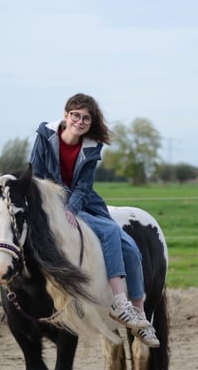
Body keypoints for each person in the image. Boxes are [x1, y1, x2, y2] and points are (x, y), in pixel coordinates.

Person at [29, 93, 160, 348]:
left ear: (91, 122)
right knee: (109, 231)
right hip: (49, 204)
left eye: (86, 118)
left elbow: (84, 186)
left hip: (83, 203)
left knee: (130, 248)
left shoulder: (92, 146)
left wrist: (71, 209)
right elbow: (36, 175)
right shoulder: (45, 136)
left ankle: (139, 316)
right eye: (75, 115)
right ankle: (119, 303)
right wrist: (56, 207)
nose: (80, 121)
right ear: (66, 115)